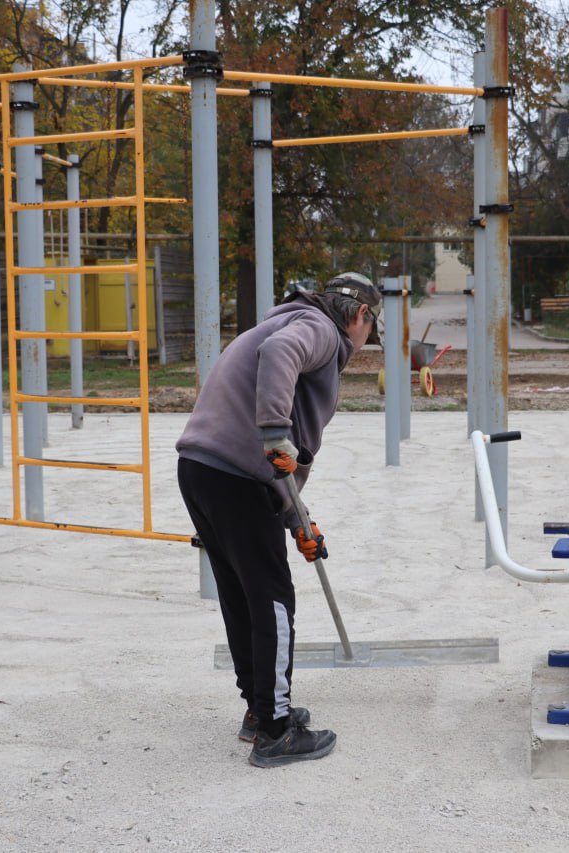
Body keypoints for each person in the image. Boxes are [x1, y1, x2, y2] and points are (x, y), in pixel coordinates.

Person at [176, 272, 381, 768]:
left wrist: (298, 523)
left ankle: (259, 710)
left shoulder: (288, 320)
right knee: (272, 598)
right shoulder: (316, 329)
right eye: (372, 325)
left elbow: (288, 462)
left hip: (203, 470)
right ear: (358, 315)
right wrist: (272, 432)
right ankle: (274, 730)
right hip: (235, 477)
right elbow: (280, 361)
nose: (367, 337)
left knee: (245, 595)